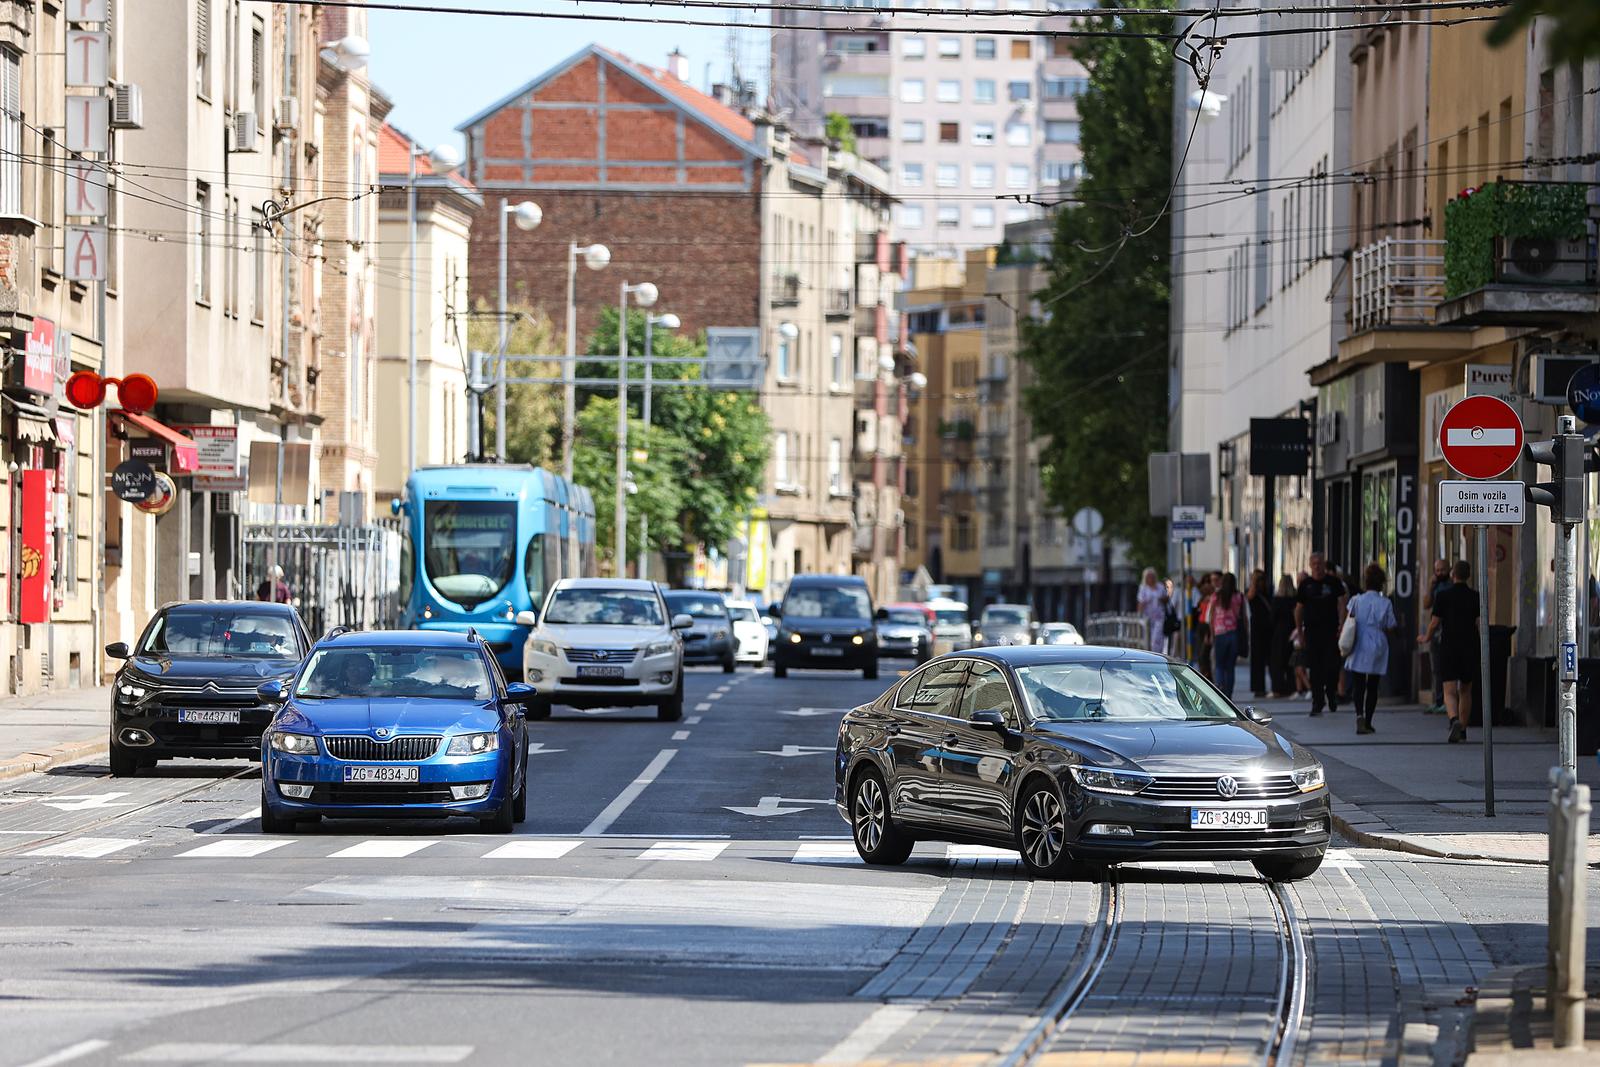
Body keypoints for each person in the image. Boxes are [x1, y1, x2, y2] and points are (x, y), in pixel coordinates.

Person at [1419, 559, 1479, 743]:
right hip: (1469, 644)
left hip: (1449, 645)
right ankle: (1463, 728)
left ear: (1453, 574)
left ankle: (1453, 720)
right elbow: (1479, 622)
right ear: (1468, 576)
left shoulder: (1444, 596)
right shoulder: (1475, 596)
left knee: (1449, 689)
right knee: (1466, 689)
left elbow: (1435, 622)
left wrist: (1426, 637)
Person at [1343, 563, 1397, 735]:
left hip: (1359, 640)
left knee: (1359, 683)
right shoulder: (1385, 602)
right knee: (1373, 685)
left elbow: (1350, 619)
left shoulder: (1356, 600)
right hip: (1377, 642)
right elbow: (1391, 625)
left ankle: (1359, 715)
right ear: (1381, 582)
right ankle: (1369, 720)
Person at [1295, 553, 1347, 716]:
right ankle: (1317, 702)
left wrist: (1342, 624)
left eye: (1319, 563)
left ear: (1324, 565)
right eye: (1314, 563)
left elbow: (1342, 603)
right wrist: (1299, 631)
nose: (1317, 566)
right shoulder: (1305, 585)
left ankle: (1331, 693)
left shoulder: (1333, 582)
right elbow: (1299, 609)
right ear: (1310, 566)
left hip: (1331, 631)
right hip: (1312, 632)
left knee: (1332, 666)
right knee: (1315, 668)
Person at [1420, 559, 1452, 714]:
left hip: (1446, 632)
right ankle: (1439, 700)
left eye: (1442, 570)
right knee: (1437, 669)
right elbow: (1426, 604)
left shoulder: (1450, 587)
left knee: (1446, 668)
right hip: (1436, 633)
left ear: (1449, 570)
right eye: (1437, 570)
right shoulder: (1436, 586)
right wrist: (1431, 586)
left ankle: (1447, 700)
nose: (1439, 573)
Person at [1209, 572, 1244, 697]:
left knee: (1219, 666)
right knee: (1230, 667)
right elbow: (1243, 617)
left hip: (1220, 633)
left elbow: (1211, 617)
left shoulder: (1216, 596)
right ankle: (1229, 695)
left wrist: (1211, 634)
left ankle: (1220, 695)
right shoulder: (1239, 596)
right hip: (1233, 633)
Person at [1246, 570, 1274, 699]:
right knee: (1257, 659)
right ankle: (1258, 688)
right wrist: (1254, 582)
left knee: (1270, 659)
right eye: (1259, 579)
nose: (1261, 582)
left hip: (1268, 628)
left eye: (1262, 579)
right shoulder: (1253, 592)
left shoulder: (1268, 591)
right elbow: (1250, 596)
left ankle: (1273, 686)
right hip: (1257, 629)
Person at [1269, 575, 1297, 697]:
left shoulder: (1277, 601)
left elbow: (1272, 619)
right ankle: (1291, 687)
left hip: (1279, 634)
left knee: (1277, 662)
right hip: (1292, 633)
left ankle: (1278, 688)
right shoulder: (1294, 600)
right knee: (1290, 662)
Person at [1136, 568, 1166, 653]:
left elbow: (1166, 599)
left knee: (1157, 637)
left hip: (1159, 616)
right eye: (1149, 577)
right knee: (1147, 637)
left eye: (1152, 576)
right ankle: (1148, 653)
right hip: (1147, 617)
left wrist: (1162, 599)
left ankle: (1157, 653)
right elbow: (1140, 603)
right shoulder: (1143, 588)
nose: (1151, 578)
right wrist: (1139, 615)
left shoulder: (1160, 587)